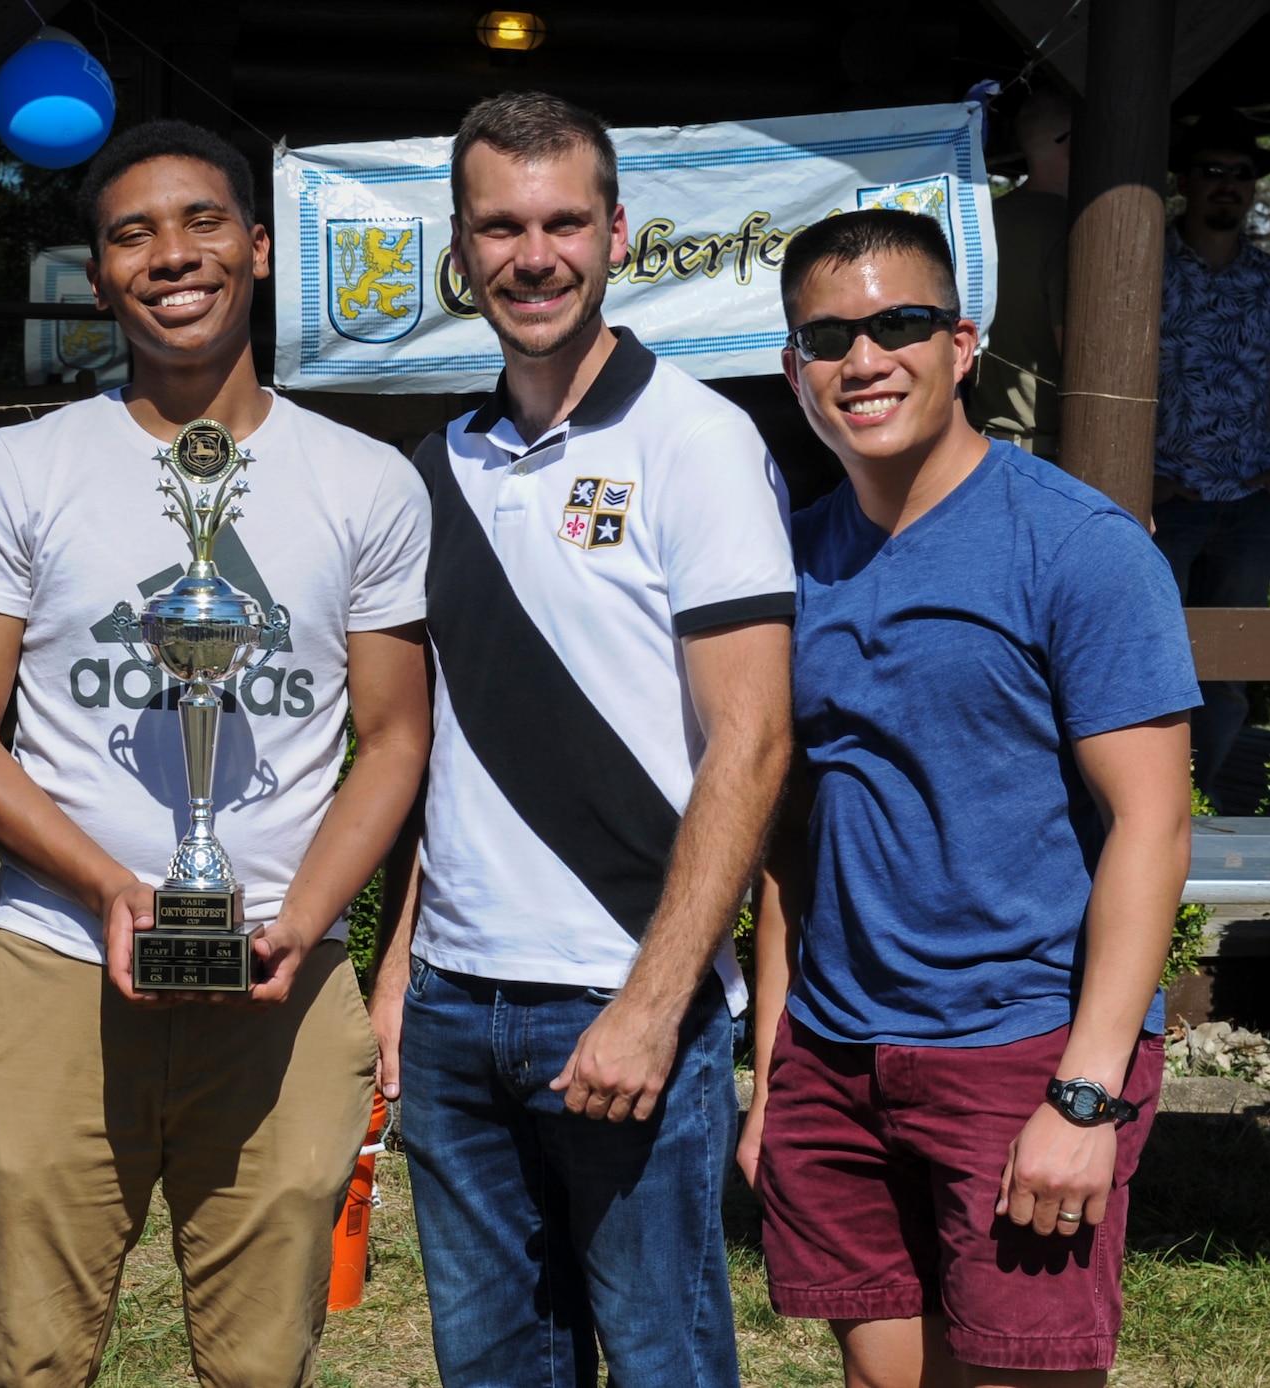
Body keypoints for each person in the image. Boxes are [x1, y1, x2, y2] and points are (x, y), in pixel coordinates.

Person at [0, 119, 431, 1388]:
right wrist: (108, 888)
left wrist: (298, 921)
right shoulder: (20, 469)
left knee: (262, 1365)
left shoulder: (364, 481)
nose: (172, 256)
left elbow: (392, 735)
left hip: (285, 982)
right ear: (97, 276)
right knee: (29, 1360)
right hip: (55, 968)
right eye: (131, 235)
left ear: (259, 249)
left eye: (202, 222)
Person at [367, 91, 796, 1388]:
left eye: (563, 222)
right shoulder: (438, 466)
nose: (533, 254)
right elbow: (443, 747)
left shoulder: (699, 445)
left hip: (625, 1008)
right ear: (460, 247)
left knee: (666, 1364)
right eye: (501, 226)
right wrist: (396, 978)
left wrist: (655, 1007)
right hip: (452, 1012)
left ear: (617, 234)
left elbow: (756, 740)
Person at [741, 207, 1200, 1387]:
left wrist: (1085, 1094)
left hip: (1021, 1048)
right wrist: (776, 1064)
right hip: (839, 1054)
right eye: (827, 335)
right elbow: (792, 832)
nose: (863, 358)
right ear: (793, 368)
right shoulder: (790, 559)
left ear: (962, 342)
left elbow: (1151, 822)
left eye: (898, 323)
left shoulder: (1075, 547)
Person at [1151, 109, 1270, 798]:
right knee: (1150, 665)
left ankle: (1202, 807)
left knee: (1228, 676)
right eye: (1212, 172)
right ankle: (1149, 810)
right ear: (1185, 181)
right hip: (1165, 502)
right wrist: (1141, 480)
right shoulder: (1142, 263)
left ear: (1253, 190)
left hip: (1249, 504)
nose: (1227, 185)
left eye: (1241, 175)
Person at [969, 85, 1073, 460]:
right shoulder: (1073, 233)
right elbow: (1081, 364)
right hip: (1047, 458)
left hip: (979, 447)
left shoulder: (982, 223)